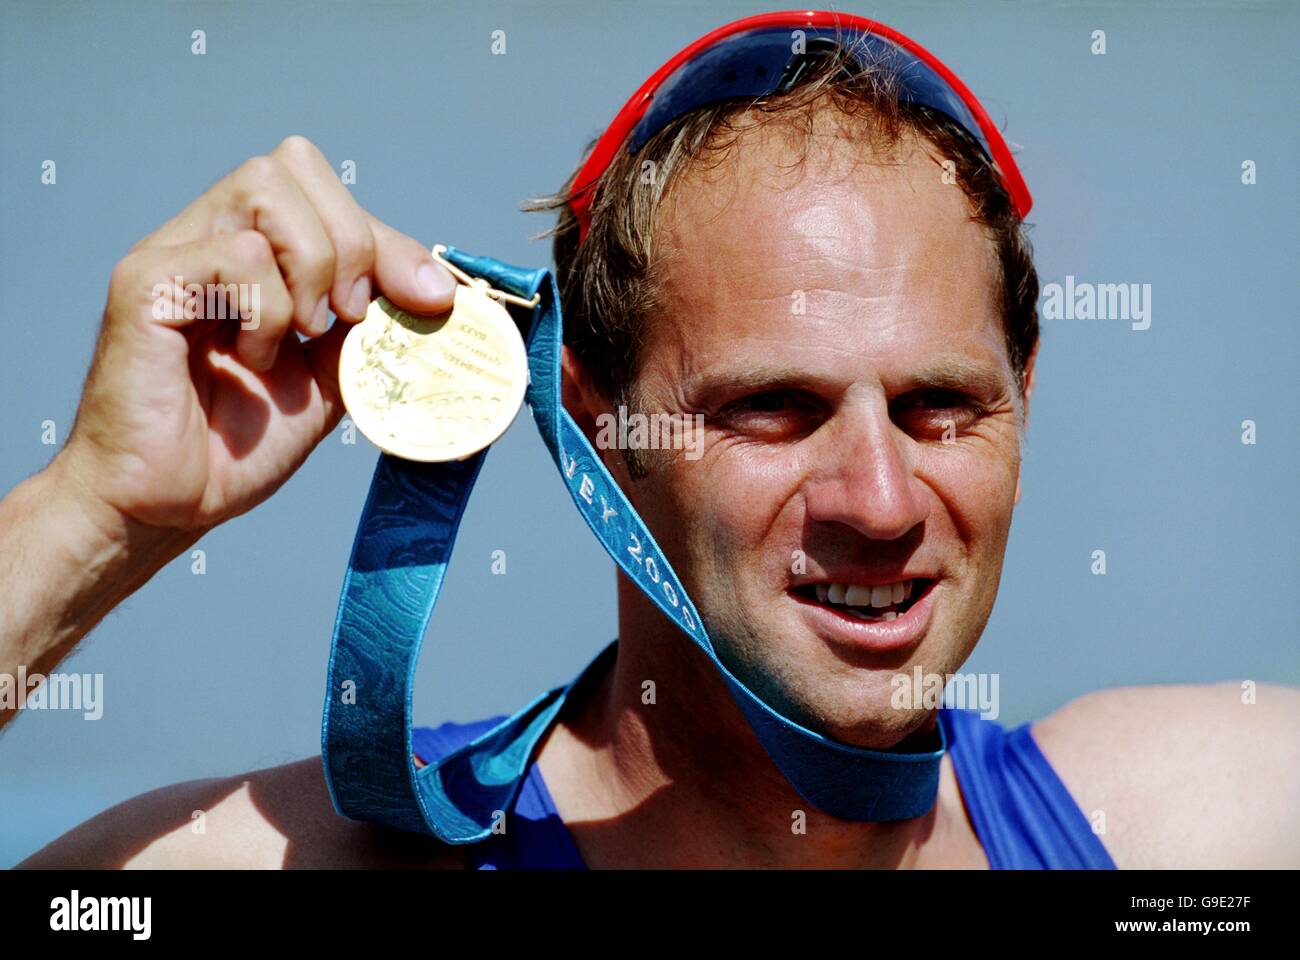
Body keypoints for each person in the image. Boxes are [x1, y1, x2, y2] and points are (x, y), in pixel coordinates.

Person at [6, 13, 1296, 870]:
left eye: (940, 406)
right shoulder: (329, 860)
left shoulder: (1175, 838)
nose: (884, 498)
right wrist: (93, 520)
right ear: (590, 420)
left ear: (1024, 392)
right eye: (773, 409)